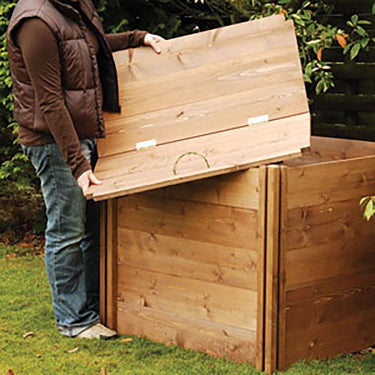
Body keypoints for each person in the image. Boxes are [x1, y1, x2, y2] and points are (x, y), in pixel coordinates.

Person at [7, 0, 163, 339]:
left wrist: (139, 37)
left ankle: (91, 309)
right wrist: (77, 163)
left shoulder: (73, 7)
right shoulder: (35, 22)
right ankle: (74, 320)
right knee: (67, 231)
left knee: (93, 228)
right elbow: (49, 101)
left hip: (83, 137)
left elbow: (93, 48)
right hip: (53, 142)